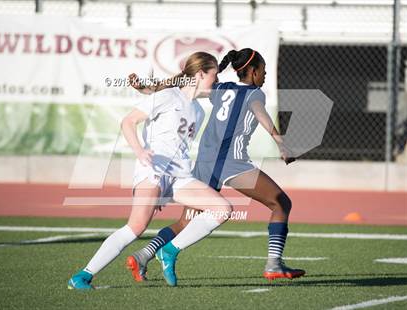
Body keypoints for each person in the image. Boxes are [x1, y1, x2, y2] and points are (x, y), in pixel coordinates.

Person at [127, 48, 305, 284]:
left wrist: (147, 89)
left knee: (185, 221)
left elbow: (181, 86)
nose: (264, 76)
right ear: (251, 71)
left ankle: (143, 255)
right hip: (232, 163)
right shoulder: (255, 93)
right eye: (263, 71)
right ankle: (274, 264)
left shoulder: (221, 89)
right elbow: (261, 114)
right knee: (280, 202)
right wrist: (281, 143)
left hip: (205, 163)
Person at [68, 51, 232, 290]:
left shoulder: (198, 110)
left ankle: (170, 250)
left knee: (223, 208)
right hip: (152, 170)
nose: (216, 82)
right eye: (214, 76)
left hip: (179, 176)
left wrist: (165, 190)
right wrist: (140, 152)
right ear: (199, 74)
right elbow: (128, 122)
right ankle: (82, 276)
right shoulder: (167, 96)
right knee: (135, 227)